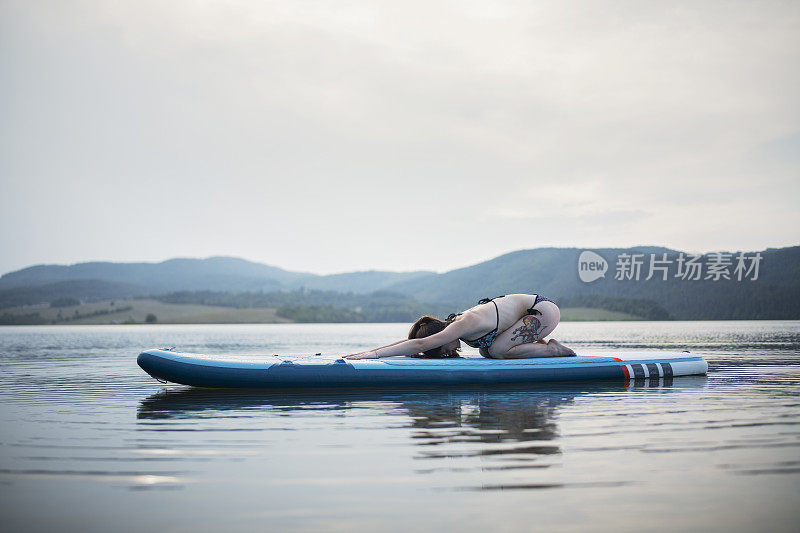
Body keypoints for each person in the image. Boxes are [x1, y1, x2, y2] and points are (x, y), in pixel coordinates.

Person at [344, 294, 575, 359]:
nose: (447, 352)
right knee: (486, 351)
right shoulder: (460, 331)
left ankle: (554, 350)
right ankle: (542, 346)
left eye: (442, 349)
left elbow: (422, 343)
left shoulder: (463, 325)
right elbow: (415, 345)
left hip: (542, 311)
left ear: (442, 336)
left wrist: (372, 354)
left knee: (495, 351)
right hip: (530, 316)